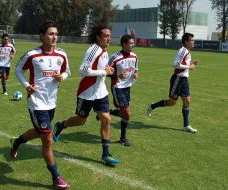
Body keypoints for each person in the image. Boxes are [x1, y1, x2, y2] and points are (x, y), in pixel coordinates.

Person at [11, 20, 70, 189]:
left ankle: (17, 142)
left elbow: (67, 71)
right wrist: (27, 86)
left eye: (56, 34)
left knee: (40, 132)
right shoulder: (32, 54)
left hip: (51, 102)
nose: (54, 37)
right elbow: (17, 69)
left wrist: (63, 77)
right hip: (36, 103)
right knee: (47, 139)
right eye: (51, 34)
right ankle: (56, 178)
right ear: (42, 36)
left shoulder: (61, 55)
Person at [52, 24, 119, 165]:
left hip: (101, 92)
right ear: (98, 37)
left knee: (106, 119)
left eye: (109, 36)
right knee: (81, 120)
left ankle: (106, 154)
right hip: (86, 92)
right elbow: (83, 70)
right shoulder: (93, 50)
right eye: (106, 36)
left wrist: (106, 70)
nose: (109, 38)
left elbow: (100, 69)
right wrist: (103, 72)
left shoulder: (105, 50)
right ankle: (60, 125)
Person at [146, 32, 199, 133]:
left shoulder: (187, 51)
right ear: (186, 42)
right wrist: (190, 66)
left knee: (187, 102)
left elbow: (182, 64)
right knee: (172, 102)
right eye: (192, 40)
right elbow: (175, 64)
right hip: (178, 79)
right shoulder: (183, 51)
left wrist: (191, 63)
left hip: (184, 80)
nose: (193, 42)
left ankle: (186, 125)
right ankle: (152, 106)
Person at [107, 34, 138, 146]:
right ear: (124, 44)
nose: (133, 45)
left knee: (125, 113)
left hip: (127, 87)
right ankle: (123, 138)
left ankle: (107, 111)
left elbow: (136, 68)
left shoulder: (134, 56)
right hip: (117, 87)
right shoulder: (115, 57)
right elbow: (106, 72)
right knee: (127, 113)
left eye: (133, 43)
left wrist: (135, 74)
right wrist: (117, 75)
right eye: (130, 43)